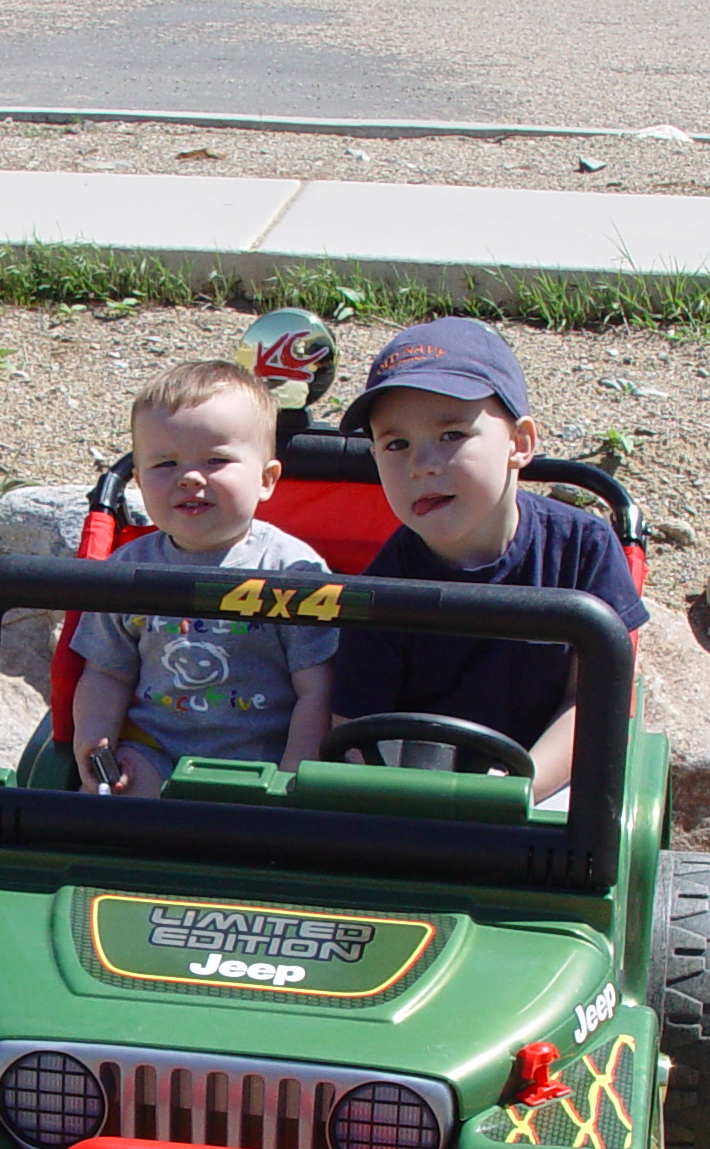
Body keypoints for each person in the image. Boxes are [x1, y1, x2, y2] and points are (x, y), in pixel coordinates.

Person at [328, 318, 647, 801]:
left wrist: (517, 789)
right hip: (417, 787)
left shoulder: (582, 548)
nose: (422, 465)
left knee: (592, 828)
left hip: (550, 775)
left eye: (452, 435)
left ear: (519, 444)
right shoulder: (381, 591)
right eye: (397, 445)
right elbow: (354, 737)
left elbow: (594, 701)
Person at [72, 361, 338, 796]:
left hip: (264, 758)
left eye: (216, 461)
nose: (190, 477)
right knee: (106, 806)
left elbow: (317, 689)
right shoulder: (127, 570)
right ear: (138, 481)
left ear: (267, 479)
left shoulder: (293, 570)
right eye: (165, 464)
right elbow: (105, 673)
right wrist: (96, 739)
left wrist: (295, 774)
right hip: (154, 749)